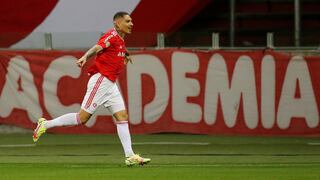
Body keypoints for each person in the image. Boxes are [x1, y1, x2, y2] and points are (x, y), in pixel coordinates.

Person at [32, 11, 150, 166]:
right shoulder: (112, 35)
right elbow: (98, 47)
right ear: (117, 23)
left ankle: (130, 156)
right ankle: (45, 124)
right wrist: (85, 57)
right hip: (101, 80)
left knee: (122, 116)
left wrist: (125, 54)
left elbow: (115, 51)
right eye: (128, 21)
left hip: (110, 85)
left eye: (131, 21)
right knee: (82, 118)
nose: (131, 24)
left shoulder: (120, 40)